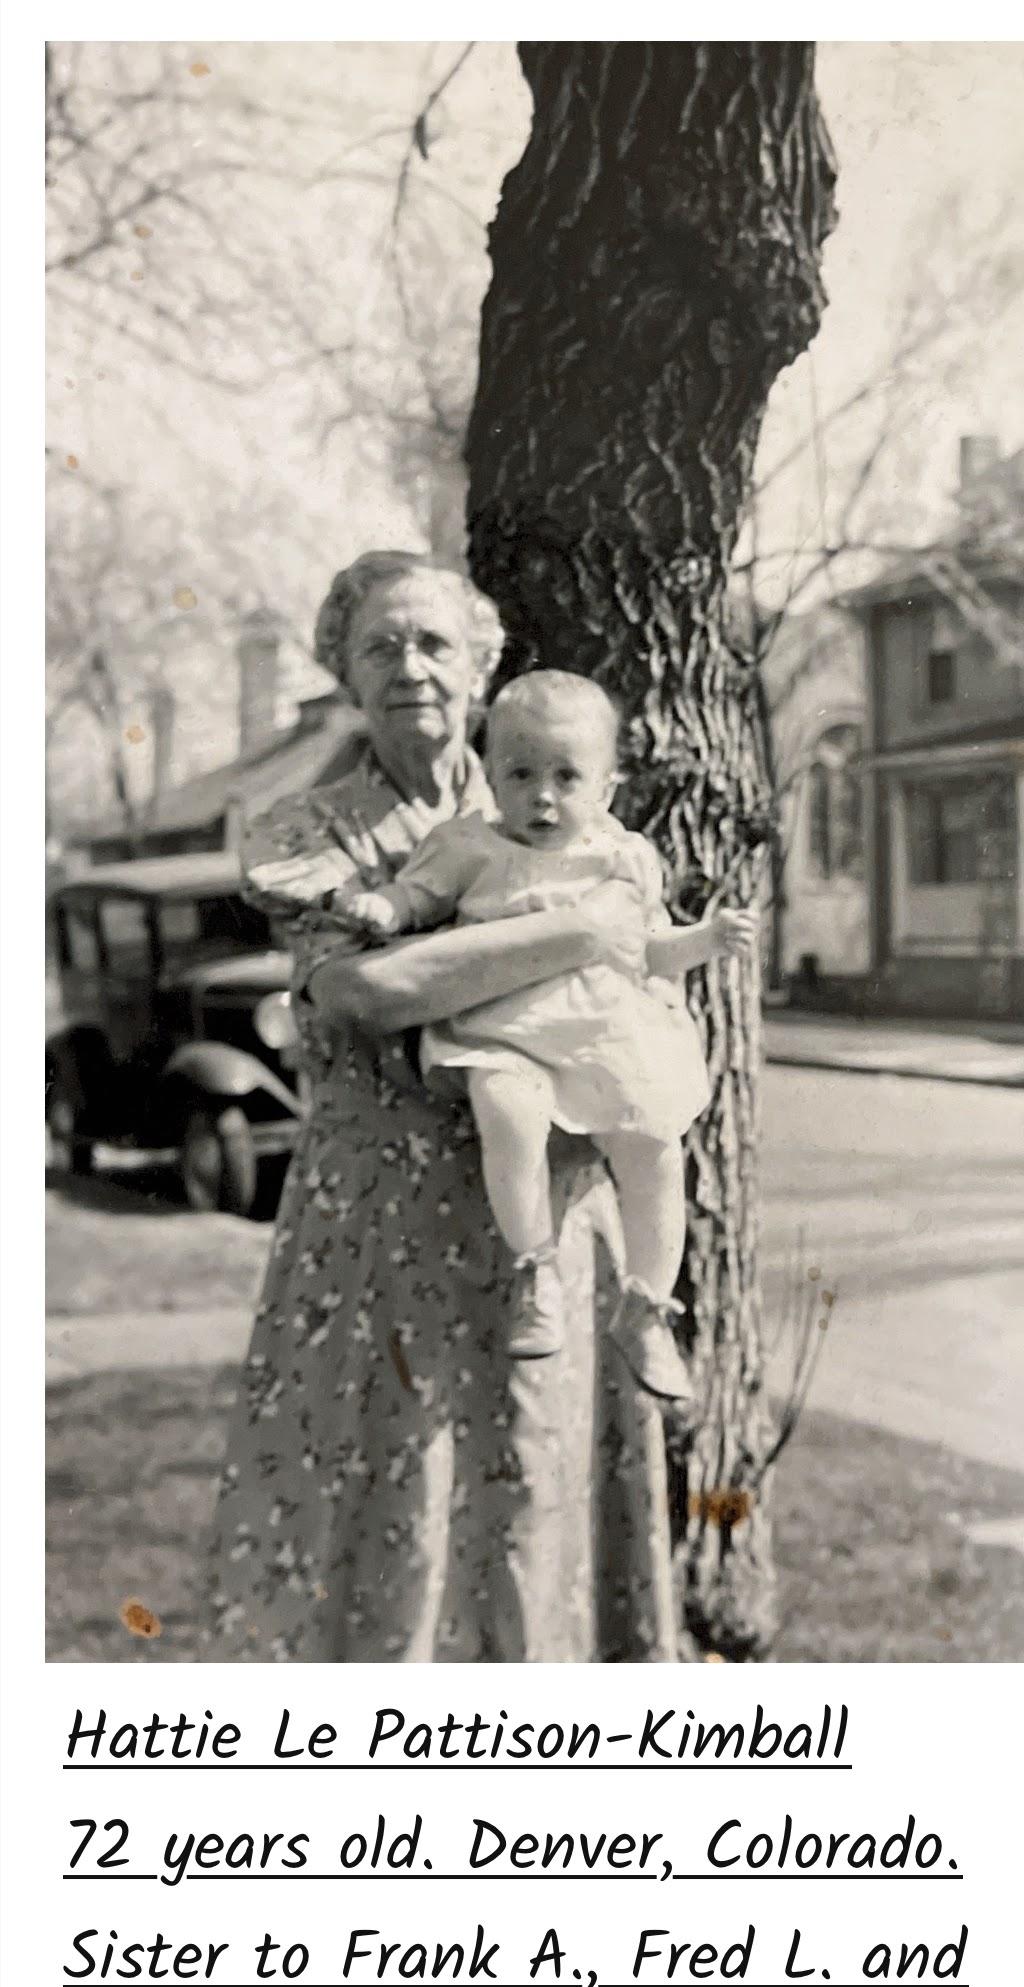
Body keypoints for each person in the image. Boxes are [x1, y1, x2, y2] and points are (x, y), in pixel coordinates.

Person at [205, 551, 680, 1663]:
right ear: (344, 672)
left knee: (534, 1473)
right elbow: (367, 994)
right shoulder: (308, 831)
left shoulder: (546, 786)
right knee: (383, 1482)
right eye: (380, 646)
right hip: (375, 1217)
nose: (409, 666)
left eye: (433, 643)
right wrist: (573, 931)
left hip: (542, 1214)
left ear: (480, 664)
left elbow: (646, 965)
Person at [330, 669, 756, 1400]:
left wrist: (707, 940)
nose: (543, 797)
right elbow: (415, 896)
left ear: (607, 788)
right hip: (506, 1029)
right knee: (510, 1113)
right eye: (521, 774)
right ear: (491, 773)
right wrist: (385, 909)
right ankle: (535, 1270)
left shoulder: (622, 856)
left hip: (601, 1037)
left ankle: (647, 1308)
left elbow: (649, 952)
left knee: (655, 1146)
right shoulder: (468, 845)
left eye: (566, 776)